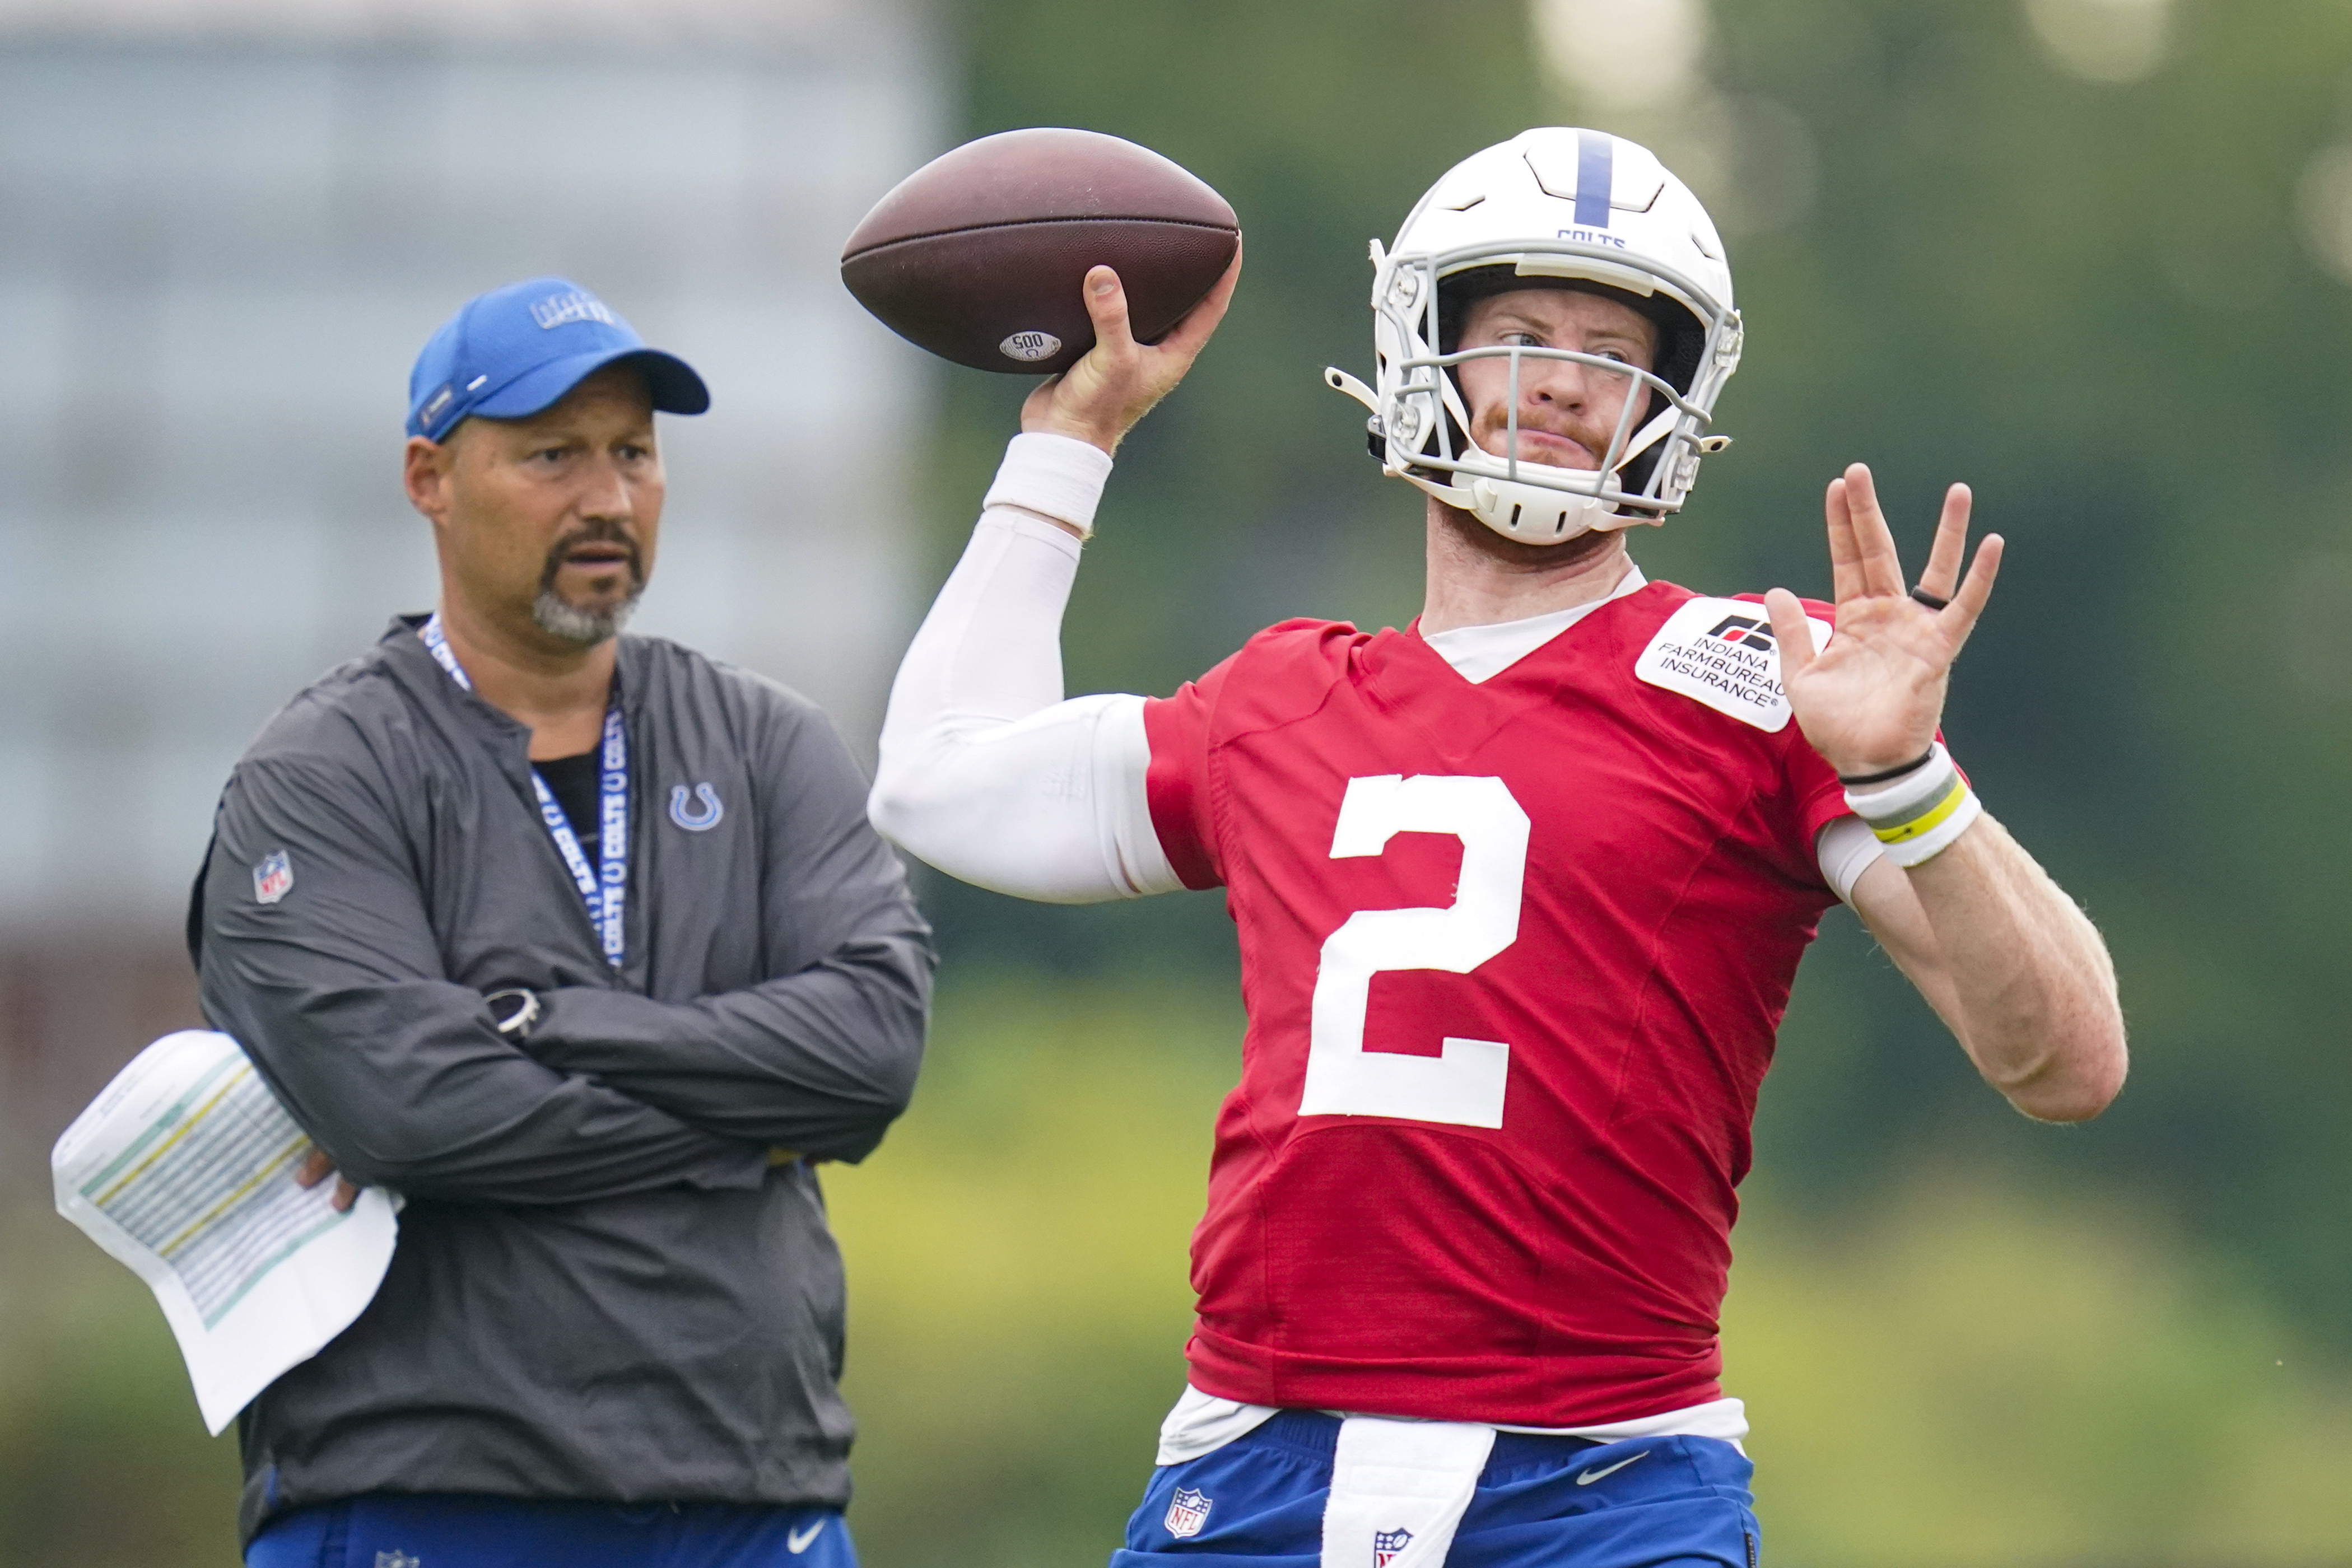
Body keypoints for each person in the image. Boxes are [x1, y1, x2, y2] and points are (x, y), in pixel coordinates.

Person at [867, 128, 2126, 1567]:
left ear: (1679, 394)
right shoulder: (1281, 696)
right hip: (1252, 1464)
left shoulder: (1765, 679)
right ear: (1425, 350)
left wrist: (1905, 775)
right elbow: (938, 782)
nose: (1568, 379)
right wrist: (1066, 445)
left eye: (1610, 346)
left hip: (1602, 1482)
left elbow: (2066, 1061)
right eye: (1520, 332)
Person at [195, 277, 933, 1567]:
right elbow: (407, 1112)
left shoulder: (767, 745)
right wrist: (748, 1117)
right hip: (428, 1491)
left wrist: (550, 1025)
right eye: (553, 454)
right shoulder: (321, 776)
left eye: (633, 453)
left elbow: (872, 1049)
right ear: (430, 475)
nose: (607, 497)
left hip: (756, 1494)